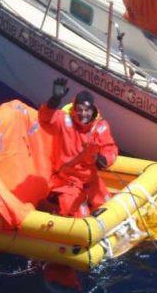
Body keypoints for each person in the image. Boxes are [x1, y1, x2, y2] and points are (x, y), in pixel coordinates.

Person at [38, 77, 119, 292]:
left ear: (93, 110)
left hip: (90, 181)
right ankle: (60, 270)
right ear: (74, 109)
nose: (83, 114)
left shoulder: (100, 126)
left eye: (87, 110)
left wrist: (105, 159)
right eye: (79, 110)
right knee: (79, 225)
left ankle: (103, 248)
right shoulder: (63, 121)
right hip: (67, 183)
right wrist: (55, 98)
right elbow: (44, 118)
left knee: (109, 208)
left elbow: (110, 148)